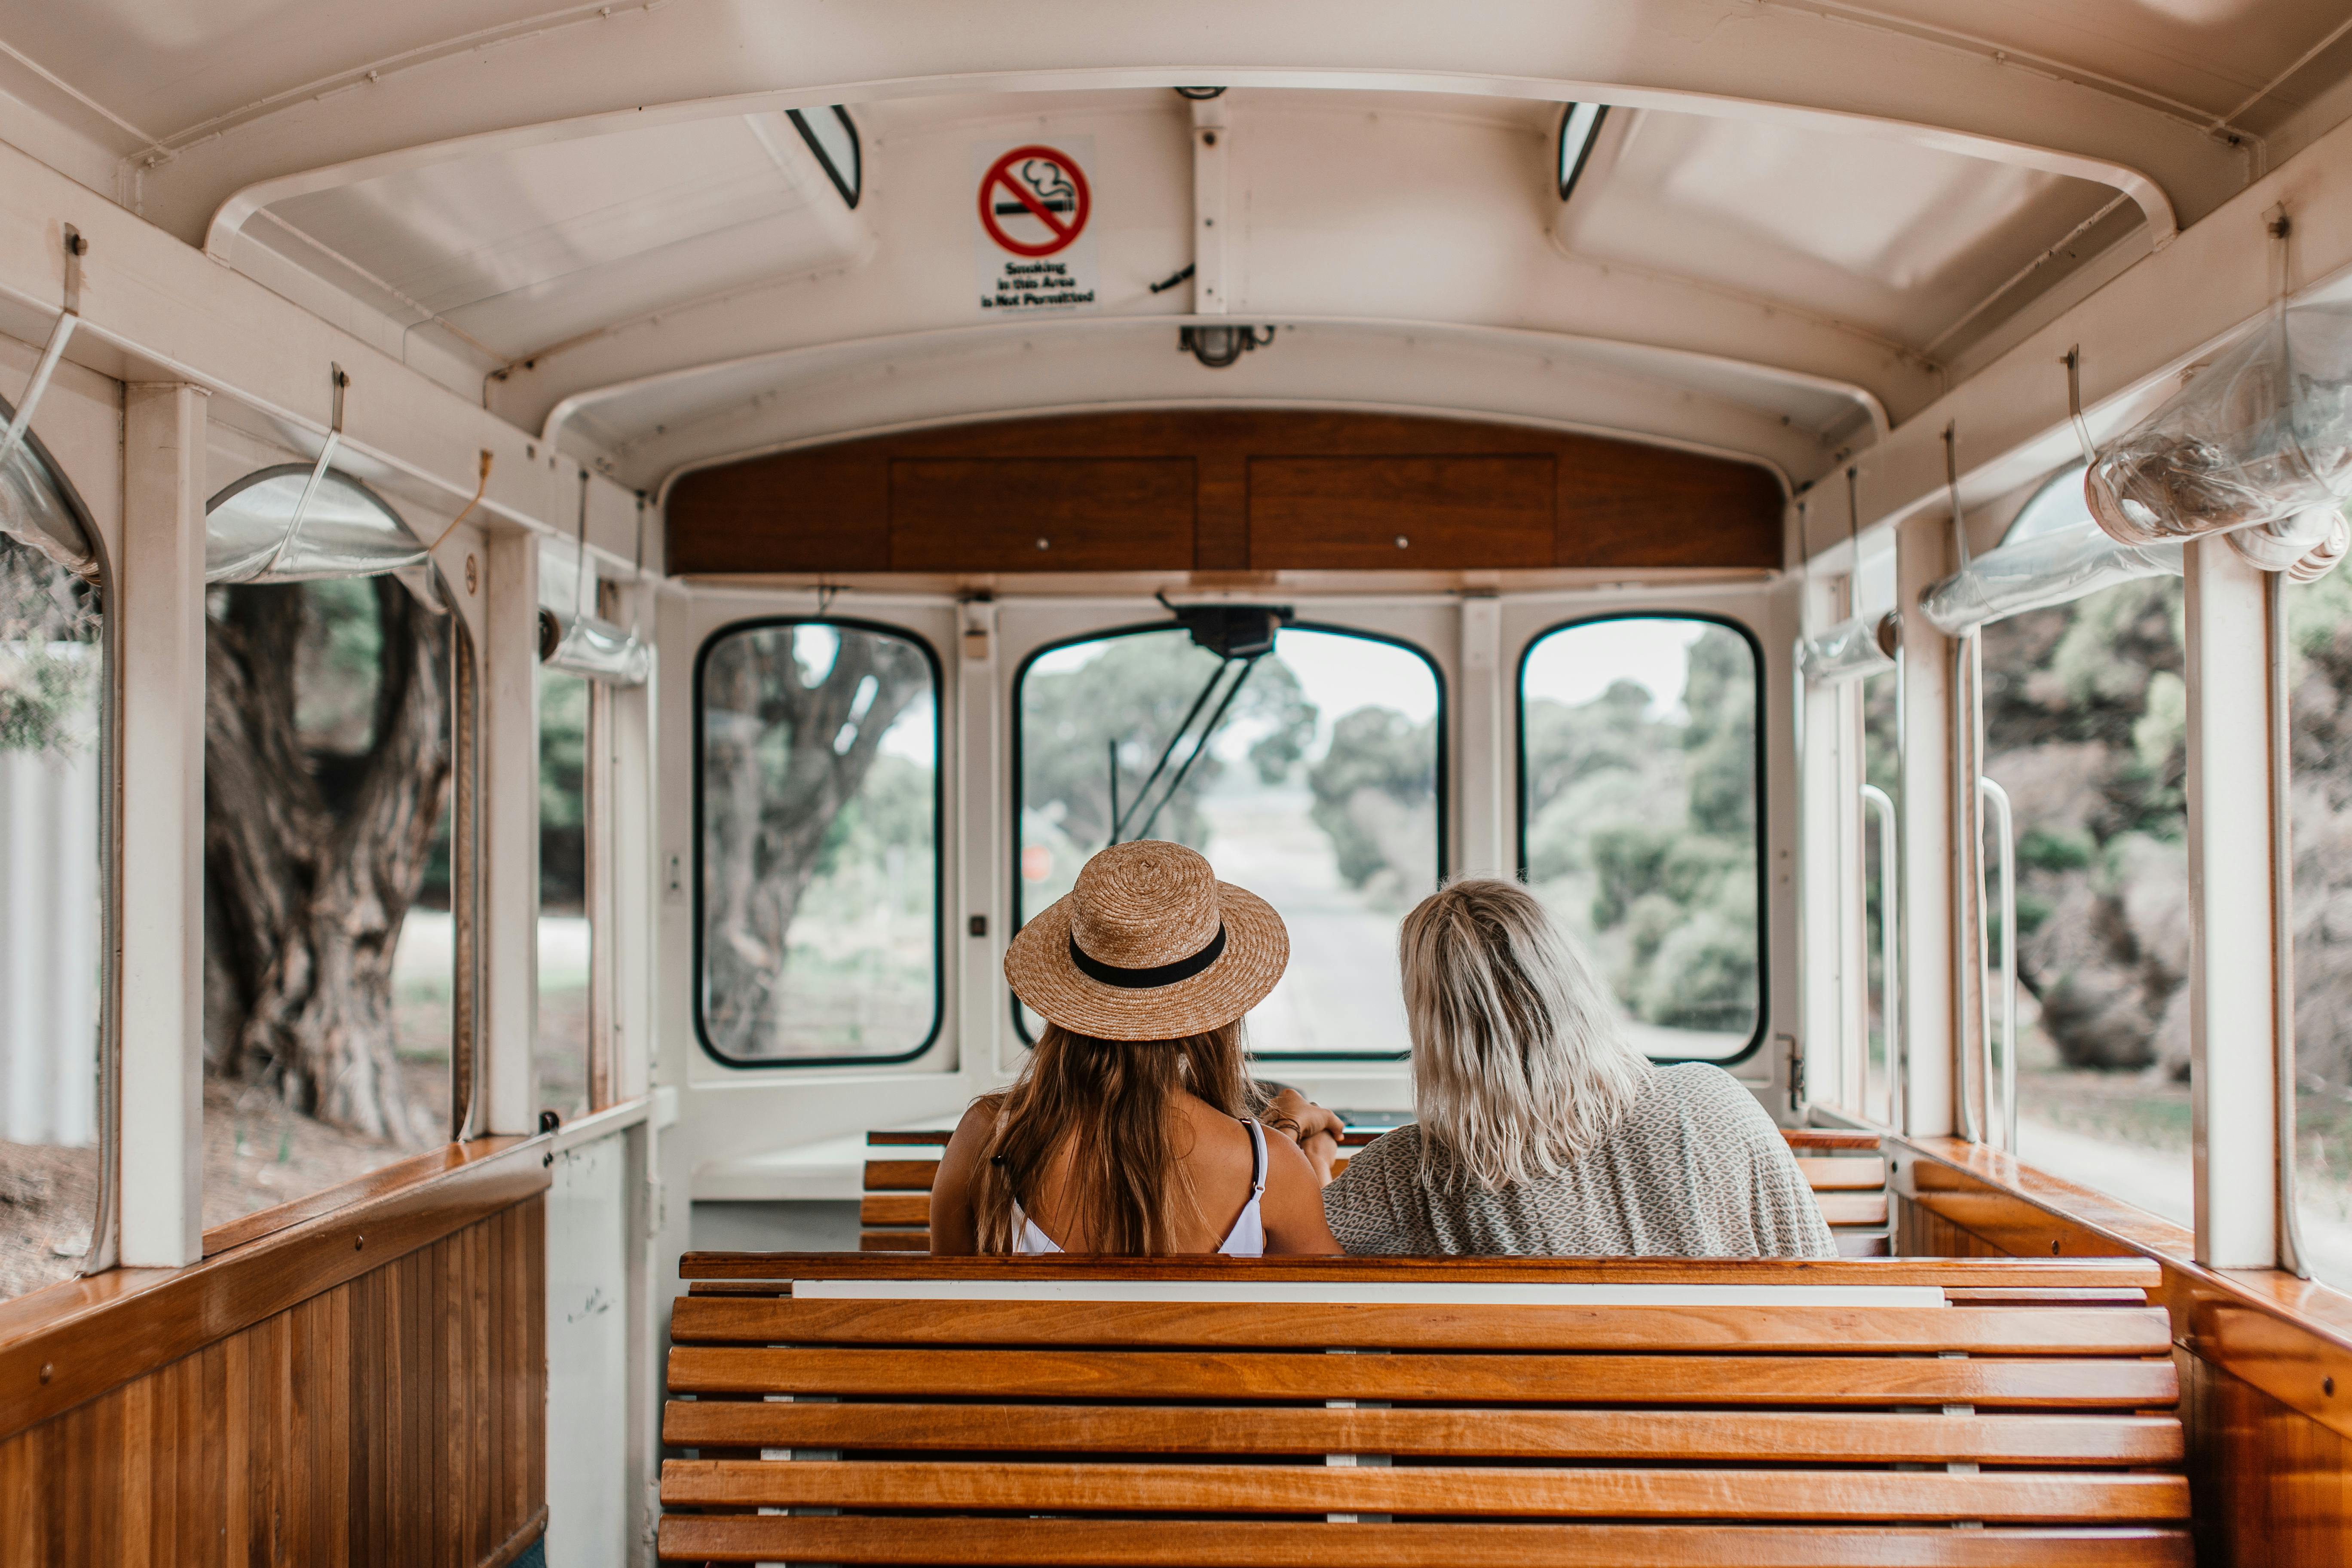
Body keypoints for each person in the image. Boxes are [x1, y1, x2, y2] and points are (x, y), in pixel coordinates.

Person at [1310, 878, 1834, 1257]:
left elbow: (1299, 1253)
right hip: (1728, 1409)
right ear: (1571, 980)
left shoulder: (1416, 1170)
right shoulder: (1712, 1101)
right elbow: (1818, 1270)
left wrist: (1300, 1142)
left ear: (1434, 1027)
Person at [930, 840, 1342, 1256]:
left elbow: (942, 1306)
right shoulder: (1269, 1167)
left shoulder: (987, 1138)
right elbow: (1333, 1306)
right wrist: (1303, 1152)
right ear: (1215, 1015)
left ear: (1070, 1003)